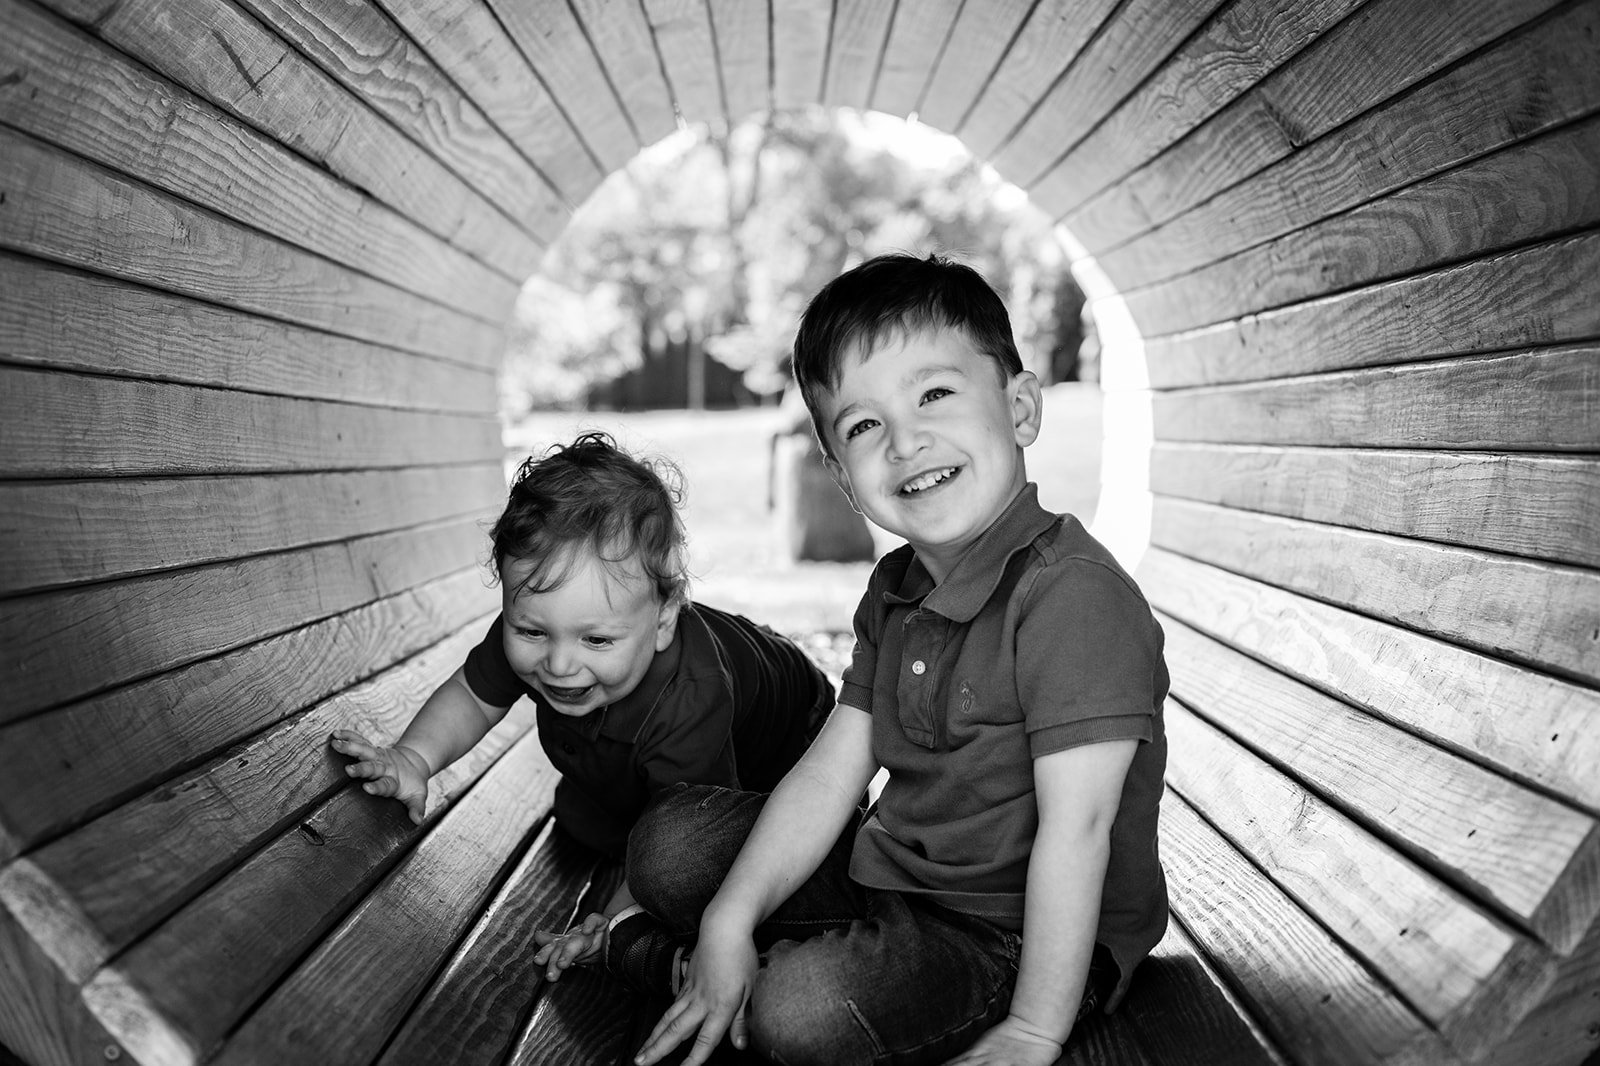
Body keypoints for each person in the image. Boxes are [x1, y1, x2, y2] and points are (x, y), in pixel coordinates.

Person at [620, 253, 1170, 1066]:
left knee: (798, 1013)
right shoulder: (895, 590)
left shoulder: (1072, 597)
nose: (906, 442)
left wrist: (1033, 1030)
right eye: (864, 426)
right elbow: (829, 777)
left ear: (1020, 408)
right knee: (669, 843)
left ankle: (698, 973)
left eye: (935, 395)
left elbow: (1079, 829)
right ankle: (725, 958)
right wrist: (731, 920)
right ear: (844, 480)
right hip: (896, 874)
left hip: (1018, 932)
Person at [329, 431, 834, 985]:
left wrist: (607, 920)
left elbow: (678, 839)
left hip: (796, 733)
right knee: (587, 821)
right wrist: (413, 758)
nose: (560, 664)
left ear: (663, 620)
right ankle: (618, 794)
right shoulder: (553, 624)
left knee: (701, 844)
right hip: (668, 748)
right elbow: (474, 696)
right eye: (531, 631)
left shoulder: (691, 696)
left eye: (596, 641)